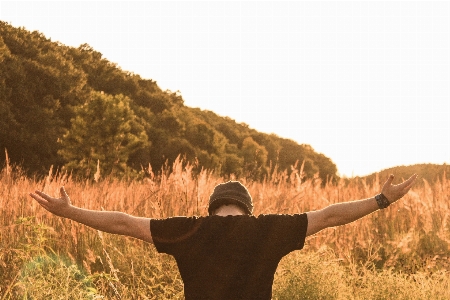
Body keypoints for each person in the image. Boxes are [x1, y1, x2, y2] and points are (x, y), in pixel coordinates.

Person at [29, 173, 417, 299]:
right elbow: (331, 215)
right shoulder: (267, 229)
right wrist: (381, 199)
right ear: (247, 208)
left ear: (212, 208)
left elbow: (124, 222)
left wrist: (70, 211)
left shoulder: (190, 229)